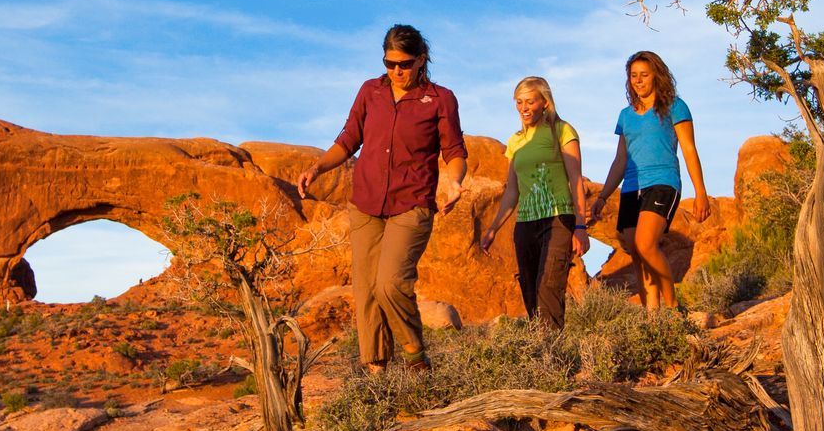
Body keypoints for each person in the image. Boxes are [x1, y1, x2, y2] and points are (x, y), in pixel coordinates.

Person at [297, 24, 466, 371]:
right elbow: (347, 140)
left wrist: (455, 181)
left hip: (412, 202)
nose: (396, 71)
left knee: (390, 284)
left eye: (403, 64)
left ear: (421, 60)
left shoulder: (439, 99)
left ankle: (415, 356)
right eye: (389, 64)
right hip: (367, 202)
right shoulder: (370, 91)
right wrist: (317, 168)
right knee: (367, 292)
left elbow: (454, 150)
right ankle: (377, 376)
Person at [586, 51, 710, 309]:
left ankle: (674, 307)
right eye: (633, 76)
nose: (638, 81)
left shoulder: (675, 106)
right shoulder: (625, 115)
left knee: (646, 244)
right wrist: (602, 196)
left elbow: (688, 149)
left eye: (644, 75)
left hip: (663, 181)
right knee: (637, 253)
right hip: (632, 187)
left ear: (657, 76)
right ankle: (652, 318)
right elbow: (620, 160)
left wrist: (701, 192)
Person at [480, 77, 589, 327]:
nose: (524, 107)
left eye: (530, 101)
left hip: (558, 218)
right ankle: (542, 352)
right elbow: (512, 191)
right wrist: (493, 229)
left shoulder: (562, 130)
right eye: (519, 102)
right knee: (530, 289)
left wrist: (581, 227)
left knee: (548, 287)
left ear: (544, 102)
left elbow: (575, 179)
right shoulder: (516, 141)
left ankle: (552, 356)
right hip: (526, 223)